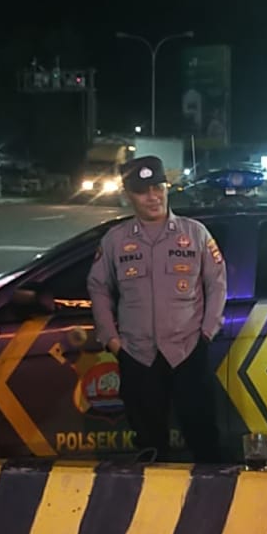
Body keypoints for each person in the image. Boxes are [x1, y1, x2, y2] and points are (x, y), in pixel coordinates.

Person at [87, 155, 227, 462]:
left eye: (158, 188)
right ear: (128, 194)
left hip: (188, 351)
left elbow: (217, 285)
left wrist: (206, 334)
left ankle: (210, 491)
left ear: (166, 188)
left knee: (204, 440)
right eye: (142, 191)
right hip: (138, 356)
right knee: (149, 446)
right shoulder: (115, 240)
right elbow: (98, 288)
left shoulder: (195, 234)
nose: (153, 197)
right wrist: (112, 340)